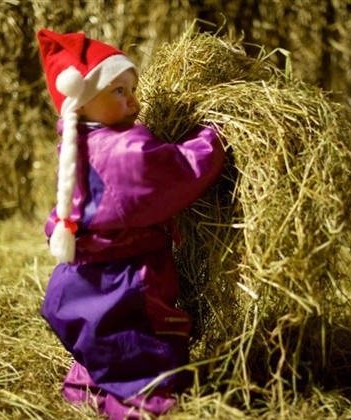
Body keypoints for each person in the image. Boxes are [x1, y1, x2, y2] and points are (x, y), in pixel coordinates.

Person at [36, 29, 225, 418]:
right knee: (144, 356)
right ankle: (142, 407)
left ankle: (85, 390)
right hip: (125, 282)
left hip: (80, 279)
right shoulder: (120, 151)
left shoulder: (79, 144)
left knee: (101, 343)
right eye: (119, 91)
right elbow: (177, 171)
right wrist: (214, 137)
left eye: (132, 88)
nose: (135, 102)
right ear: (82, 103)